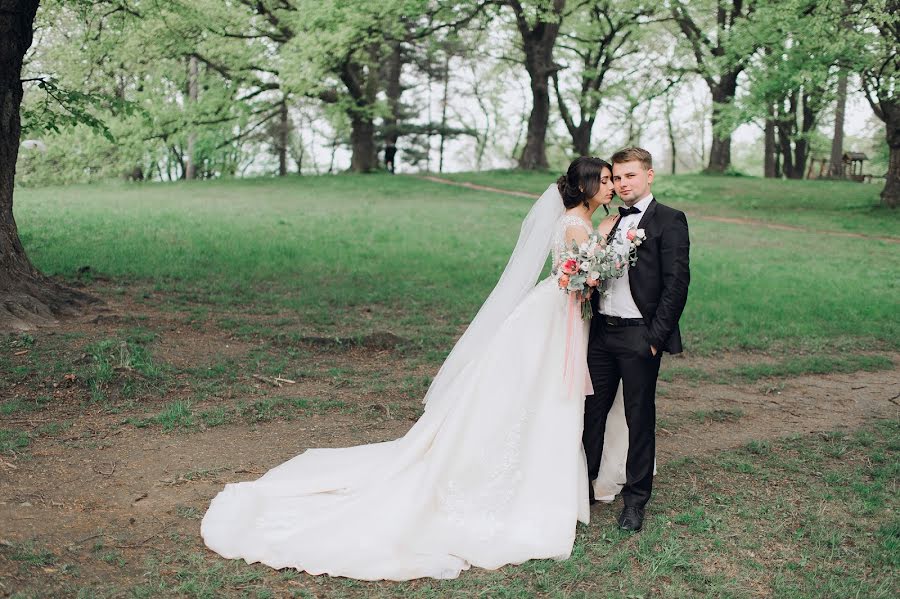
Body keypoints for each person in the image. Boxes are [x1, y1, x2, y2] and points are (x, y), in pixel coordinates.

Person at [201, 157, 630, 581]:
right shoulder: (576, 223)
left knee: (542, 395)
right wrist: (595, 271)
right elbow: (576, 275)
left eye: (613, 179)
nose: (611, 186)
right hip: (553, 317)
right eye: (606, 180)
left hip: (559, 315)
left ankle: (540, 480)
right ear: (587, 185)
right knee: (540, 393)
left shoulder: (582, 221)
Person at [583, 147, 690, 532]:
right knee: (590, 415)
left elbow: (677, 284)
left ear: (649, 176)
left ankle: (635, 500)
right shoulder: (609, 222)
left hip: (639, 336)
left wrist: (655, 338)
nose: (623, 183)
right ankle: (584, 487)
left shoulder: (669, 220)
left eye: (630, 176)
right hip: (601, 334)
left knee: (637, 418)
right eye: (617, 177)